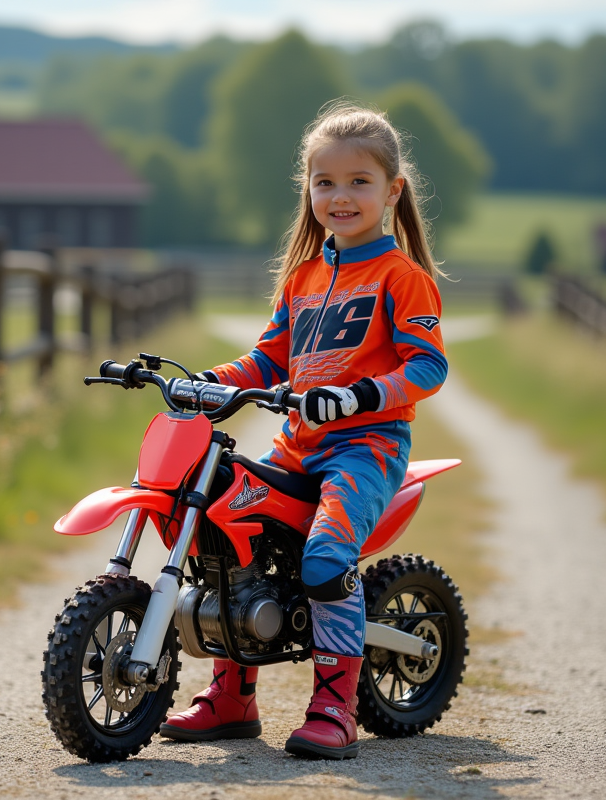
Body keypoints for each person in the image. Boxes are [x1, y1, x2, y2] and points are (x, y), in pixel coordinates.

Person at [158, 101, 448, 760]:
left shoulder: (402, 277)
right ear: (308, 188)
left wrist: (362, 396)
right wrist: (207, 382)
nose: (339, 196)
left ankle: (334, 707)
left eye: (358, 182)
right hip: (297, 445)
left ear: (391, 191)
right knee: (227, 536)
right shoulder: (303, 278)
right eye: (325, 182)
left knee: (322, 559)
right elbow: (265, 361)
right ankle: (232, 700)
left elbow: (428, 365)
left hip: (366, 448)